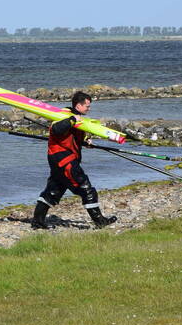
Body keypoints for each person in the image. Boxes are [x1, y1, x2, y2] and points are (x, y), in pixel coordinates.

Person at [32, 91, 118, 229]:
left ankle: (37, 221)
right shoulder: (63, 115)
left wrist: (86, 141)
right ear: (78, 105)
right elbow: (56, 129)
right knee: (86, 188)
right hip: (63, 159)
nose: (89, 109)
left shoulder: (78, 118)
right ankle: (99, 221)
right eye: (87, 106)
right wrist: (72, 120)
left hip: (61, 159)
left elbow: (73, 137)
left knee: (54, 190)